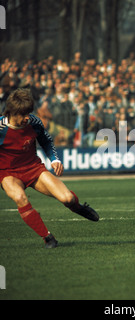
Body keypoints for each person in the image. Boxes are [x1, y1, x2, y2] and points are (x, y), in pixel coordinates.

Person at [0, 88, 99, 249]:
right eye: (23, 114)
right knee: (20, 198)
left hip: (33, 168)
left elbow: (46, 141)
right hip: (8, 173)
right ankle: (48, 237)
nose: (27, 117)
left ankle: (78, 207)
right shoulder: (1, 127)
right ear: (12, 112)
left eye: (28, 113)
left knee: (67, 198)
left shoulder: (34, 122)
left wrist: (54, 160)